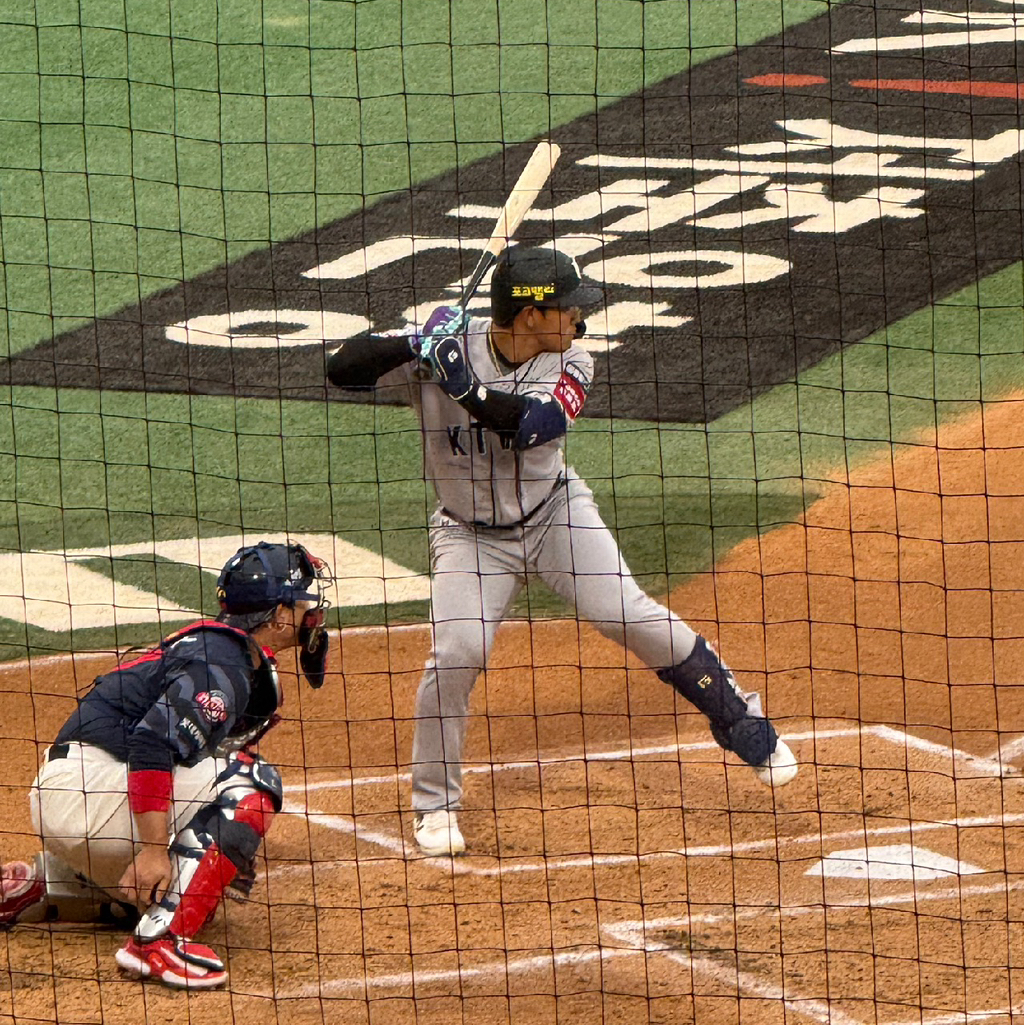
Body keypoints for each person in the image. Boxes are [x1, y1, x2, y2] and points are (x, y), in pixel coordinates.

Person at [326, 244, 798, 858]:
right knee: (457, 652)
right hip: (469, 536)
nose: (580, 317)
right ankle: (434, 805)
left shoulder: (572, 358)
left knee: (625, 613)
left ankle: (740, 719)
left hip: (555, 515)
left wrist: (462, 385)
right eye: (568, 308)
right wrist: (414, 343)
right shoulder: (446, 348)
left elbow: (530, 426)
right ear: (530, 315)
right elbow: (341, 370)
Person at [0, 541, 331, 989]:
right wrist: (156, 850)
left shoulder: (227, 653)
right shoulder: (222, 663)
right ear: (278, 615)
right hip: (88, 792)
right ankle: (159, 942)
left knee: (192, 886)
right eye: (303, 600)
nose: (313, 610)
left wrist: (224, 853)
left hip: (80, 793)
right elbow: (153, 742)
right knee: (251, 781)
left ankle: (46, 885)